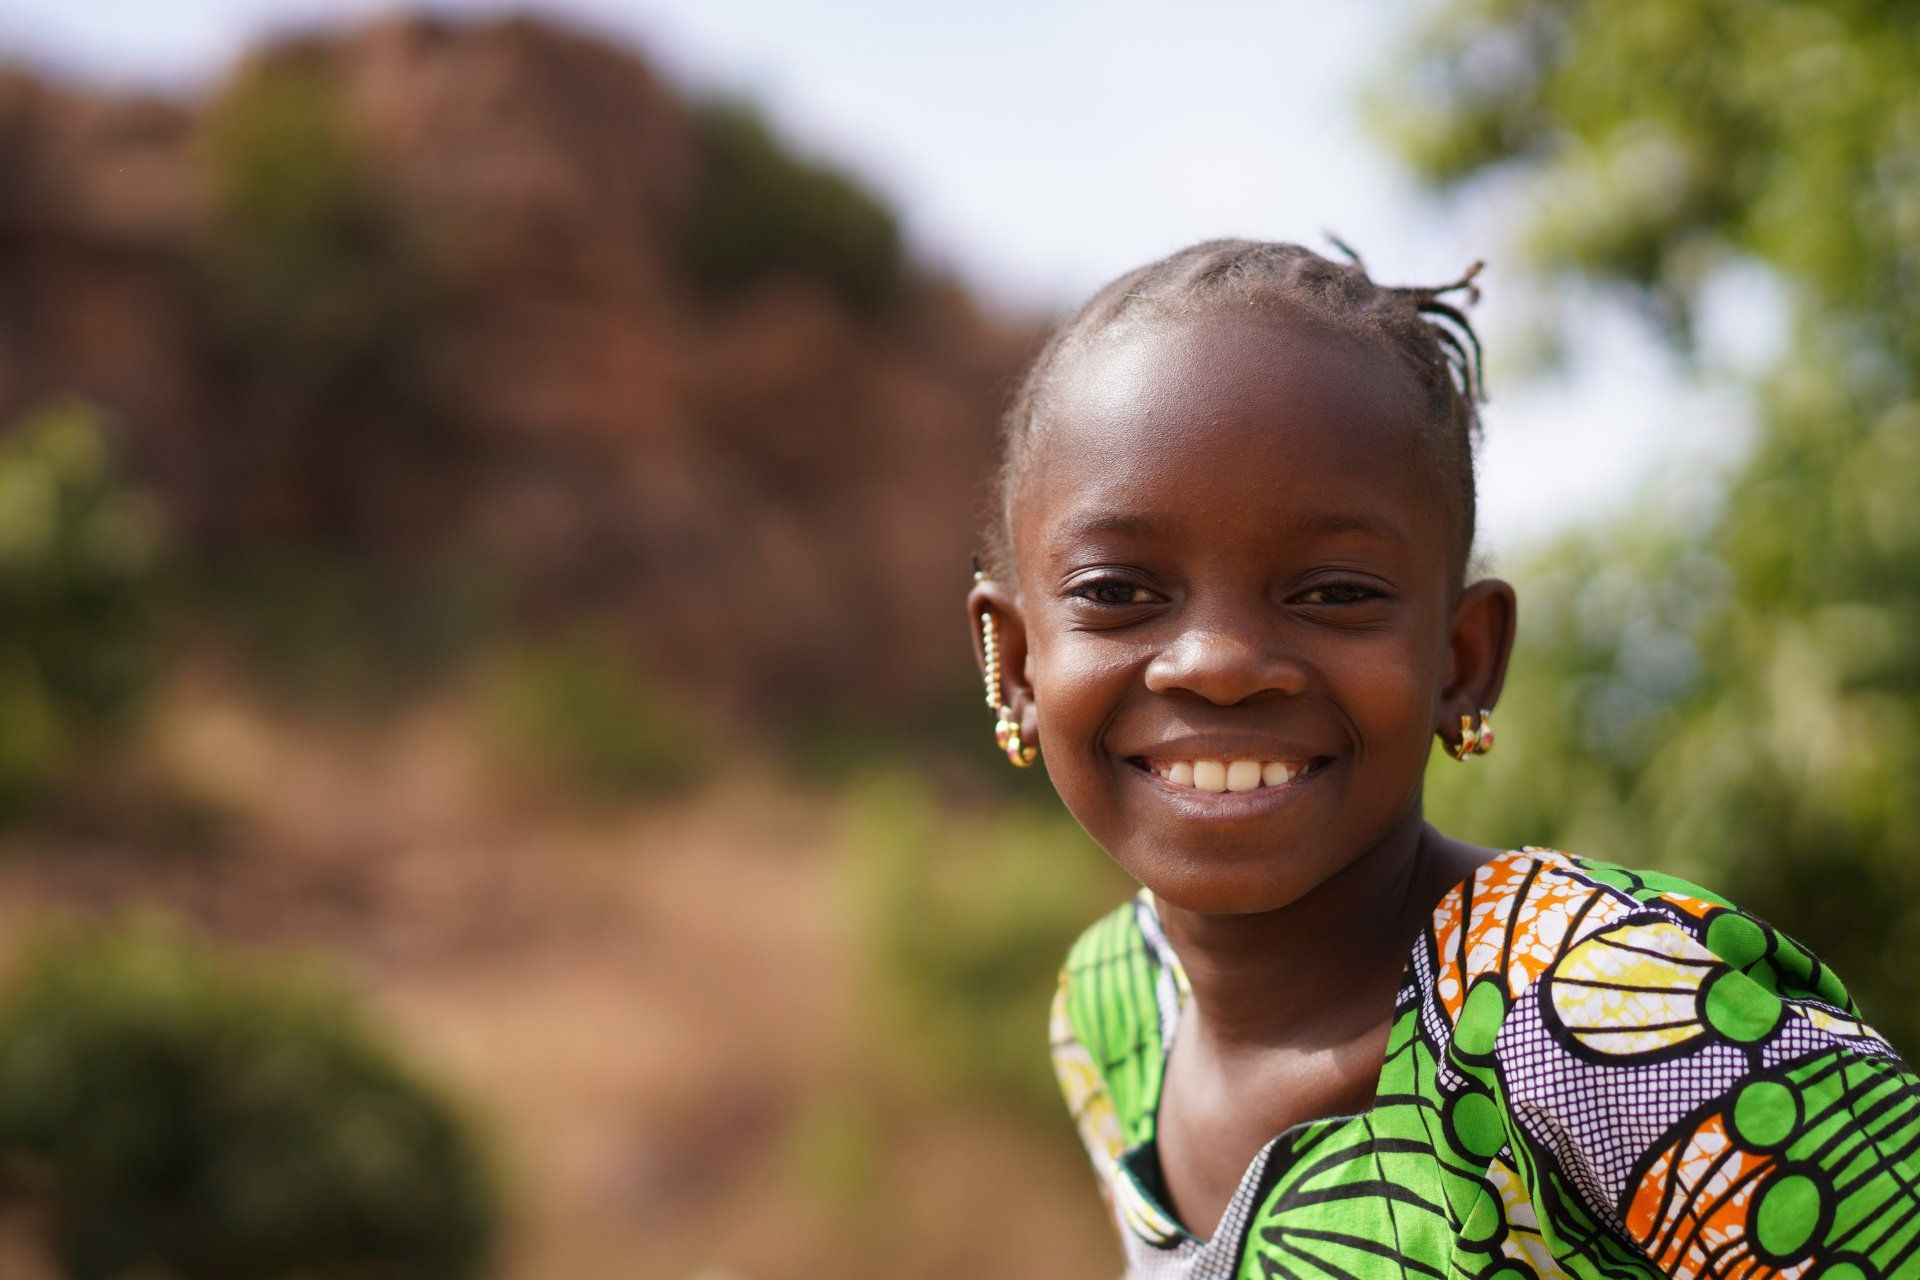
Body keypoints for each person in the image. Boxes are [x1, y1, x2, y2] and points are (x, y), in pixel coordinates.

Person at [964, 239, 1920, 1279]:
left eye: (1333, 591)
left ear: (1462, 659)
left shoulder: (1595, 1008)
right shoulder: (1113, 1008)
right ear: (1014, 661)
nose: (1222, 664)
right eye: (1118, 590)